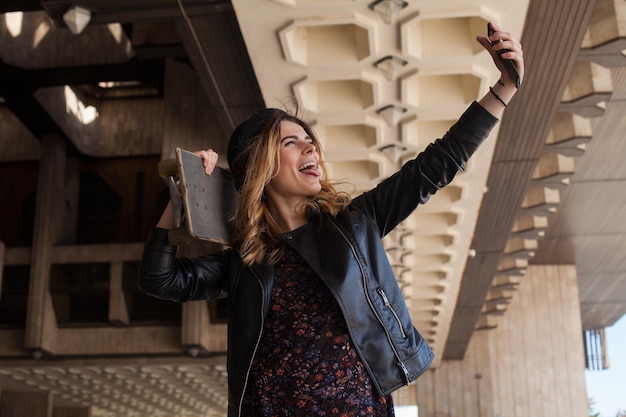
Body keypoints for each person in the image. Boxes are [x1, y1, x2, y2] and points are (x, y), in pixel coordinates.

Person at [139, 22, 524, 417]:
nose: (311, 146)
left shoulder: (356, 223)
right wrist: (183, 188)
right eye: (291, 142)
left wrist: (504, 88)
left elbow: (437, 163)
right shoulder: (246, 262)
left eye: (310, 140)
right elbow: (159, 279)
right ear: (259, 166)